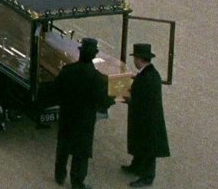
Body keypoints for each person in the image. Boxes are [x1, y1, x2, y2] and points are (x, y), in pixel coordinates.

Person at [54, 38, 113, 189]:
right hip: (84, 120)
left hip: (67, 116)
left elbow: (57, 89)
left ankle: (59, 176)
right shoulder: (97, 78)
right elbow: (103, 101)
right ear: (94, 56)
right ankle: (77, 181)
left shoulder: (68, 70)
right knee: (81, 152)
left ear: (80, 53)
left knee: (63, 146)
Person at [122, 43, 170, 187]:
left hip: (147, 119)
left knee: (148, 149)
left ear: (139, 59)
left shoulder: (147, 77)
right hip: (145, 117)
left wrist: (130, 99)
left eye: (135, 58)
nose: (134, 61)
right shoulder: (149, 73)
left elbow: (144, 100)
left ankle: (147, 177)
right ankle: (136, 166)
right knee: (141, 144)